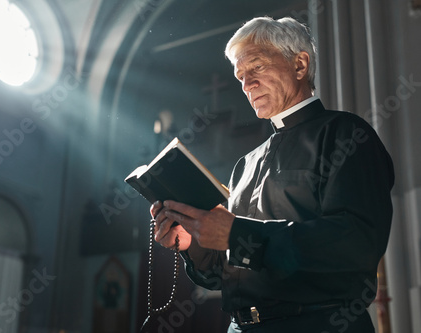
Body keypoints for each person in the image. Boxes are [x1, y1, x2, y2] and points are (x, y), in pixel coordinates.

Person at [150, 16, 394, 333]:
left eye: (257, 68)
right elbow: (224, 274)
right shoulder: (245, 165)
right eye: (240, 76)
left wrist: (237, 235)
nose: (247, 85)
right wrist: (193, 244)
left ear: (300, 65)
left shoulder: (346, 135)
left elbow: (354, 245)